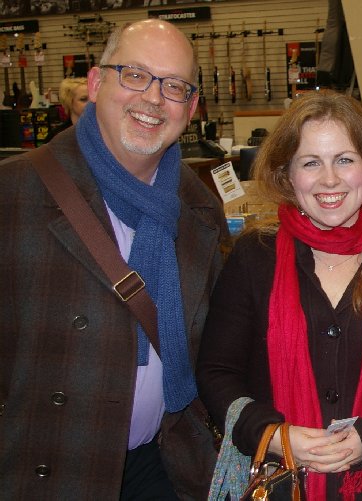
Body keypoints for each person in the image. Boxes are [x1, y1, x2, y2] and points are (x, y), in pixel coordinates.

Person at [0, 19, 228, 499]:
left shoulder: (199, 207)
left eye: (174, 86)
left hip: (165, 467)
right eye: (135, 75)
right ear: (97, 82)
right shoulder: (14, 193)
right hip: (47, 471)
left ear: (189, 108)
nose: (152, 98)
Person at [197, 90, 362, 500]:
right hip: (276, 481)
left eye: (344, 159)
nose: (330, 179)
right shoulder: (254, 258)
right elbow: (216, 372)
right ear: (288, 175)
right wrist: (273, 434)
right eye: (311, 162)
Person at [44, 77, 89, 143]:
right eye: (84, 99)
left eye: (94, 98)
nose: (91, 103)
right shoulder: (57, 136)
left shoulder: (102, 132)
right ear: (69, 102)